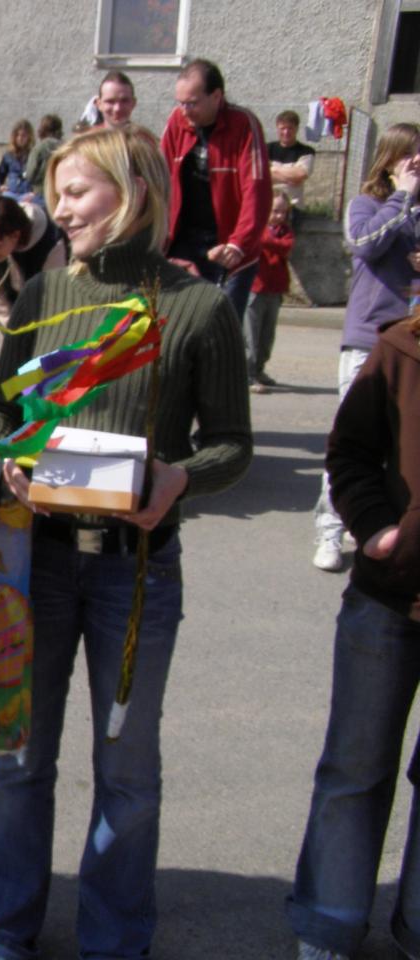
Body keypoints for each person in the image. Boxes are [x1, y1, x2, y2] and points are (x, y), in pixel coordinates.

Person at [0, 125, 252, 960]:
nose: (58, 209)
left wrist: (178, 479)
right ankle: (0, 929)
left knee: (127, 773)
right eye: (56, 193)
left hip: (138, 575)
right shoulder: (45, 295)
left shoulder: (198, 307)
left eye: (76, 192)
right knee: (19, 759)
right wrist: (7, 459)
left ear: (133, 194)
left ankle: (115, 940)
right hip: (40, 562)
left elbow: (233, 446)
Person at [287, 305, 420, 960]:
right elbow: (351, 452)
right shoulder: (403, 348)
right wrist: (375, 531)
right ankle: (327, 924)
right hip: (390, 595)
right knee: (355, 765)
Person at [311, 122, 420, 572]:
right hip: (368, 340)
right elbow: (364, 244)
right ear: (391, 160)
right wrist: (403, 195)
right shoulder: (367, 204)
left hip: (412, 345)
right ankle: (330, 530)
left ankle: (388, 527)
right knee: (354, 439)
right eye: (411, 157)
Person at [161, 57, 272, 323]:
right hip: (183, 245)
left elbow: (256, 190)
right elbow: (159, 178)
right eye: (180, 103)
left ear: (217, 96)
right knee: (175, 324)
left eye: (192, 103)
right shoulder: (177, 122)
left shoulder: (243, 125)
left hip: (228, 246)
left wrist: (239, 243)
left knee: (222, 327)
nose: (185, 110)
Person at [0, 196, 67, 326]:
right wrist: (10, 323)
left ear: (15, 235)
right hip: (9, 314)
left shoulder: (50, 244)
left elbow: (54, 296)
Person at [245, 191, 295, 394]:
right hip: (256, 287)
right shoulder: (256, 227)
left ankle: (259, 370)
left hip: (275, 289)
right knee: (251, 335)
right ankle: (247, 375)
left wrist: (266, 240)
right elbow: (257, 243)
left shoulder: (284, 231)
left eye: (283, 212)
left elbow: (287, 246)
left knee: (267, 336)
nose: (279, 216)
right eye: (275, 211)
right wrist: (266, 239)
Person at [269, 109, 316, 209]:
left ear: (297, 129)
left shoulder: (306, 151)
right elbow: (260, 174)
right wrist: (289, 178)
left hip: (294, 207)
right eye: (282, 128)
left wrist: (273, 170)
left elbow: (300, 175)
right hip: (269, 206)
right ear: (277, 128)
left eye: (290, 128)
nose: (286, 132)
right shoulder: (266, 149)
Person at [23, 114, 64, 203]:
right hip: (60, 193)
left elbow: (30, 174)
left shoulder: (39, 148)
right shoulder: (66, 147)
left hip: (41, 193)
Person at [0, 119, 34, 201]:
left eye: (23, 135)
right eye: (17, 135)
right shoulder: (8, 155)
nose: (20, 138)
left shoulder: (33, 154)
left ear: (29, 136)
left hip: (27, 194)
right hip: (11, 193)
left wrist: (34, 193)